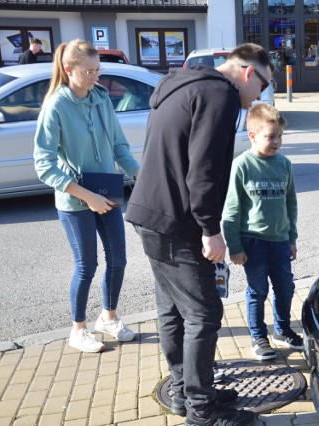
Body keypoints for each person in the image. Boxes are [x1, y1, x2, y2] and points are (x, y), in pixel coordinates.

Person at [125, 43, 273, 426]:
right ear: (247, 73)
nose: (260, 97)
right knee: (204, 314)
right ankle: (202, 411)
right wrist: (211, 230)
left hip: (151, 212)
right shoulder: (218, 95)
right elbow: (203, 171)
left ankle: (185, 390)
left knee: (172, 309)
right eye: (263, 86)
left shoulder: (182, 85)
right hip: (178, 221)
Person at [33, 39, 140, 353]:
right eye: (89, 71)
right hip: (75, 200)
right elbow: (44, 164)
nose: (96, 76)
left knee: (118, 259)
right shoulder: (56, 105)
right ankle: (78, 329)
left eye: (98, 70)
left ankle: (108, 317)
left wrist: (138, 173)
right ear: (69, 70)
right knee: (87, 265)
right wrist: (85, 195)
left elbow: (119, 144)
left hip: (106, 194)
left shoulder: (102, 99)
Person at [222, 103, 302, 362]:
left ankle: (283, 329)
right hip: (253, 242)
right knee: (257, 291)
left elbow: (291, 204)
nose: (277, 142)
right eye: (271, 136)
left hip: (279, 242)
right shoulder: (242, 165)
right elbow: (231, 209)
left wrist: (291, 239)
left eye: (280, 136)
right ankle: (258, 337)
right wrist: (234, 246)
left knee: (286, 288)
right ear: (253, 136)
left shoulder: (284, 164)